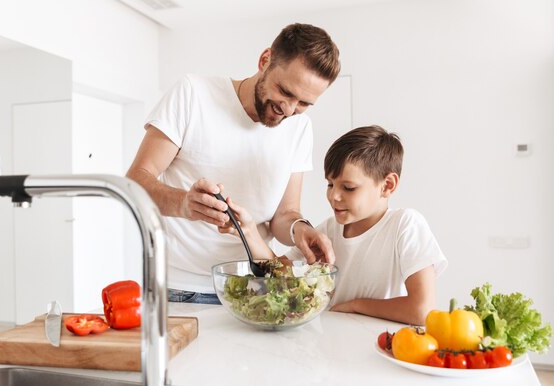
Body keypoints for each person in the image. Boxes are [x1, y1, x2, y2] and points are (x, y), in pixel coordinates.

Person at [126, 23, 341, 304]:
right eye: (285, 92)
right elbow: (135, 182)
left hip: (256, 292)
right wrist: (183, 204)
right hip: (180, 291)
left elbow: (285, 213)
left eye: (303, 103)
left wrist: (300, 228)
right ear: (265, 60)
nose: (289, 110)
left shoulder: (300, 128)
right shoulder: (193, 94)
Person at [219, 125, 447, 325]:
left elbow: (422, 310)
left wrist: (355, 306)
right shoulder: (329, 230)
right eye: (330, 184)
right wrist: (248, 231)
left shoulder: (404, 225)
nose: (334, 196)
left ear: (387, 185)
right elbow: (279, 273)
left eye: (348, 188)